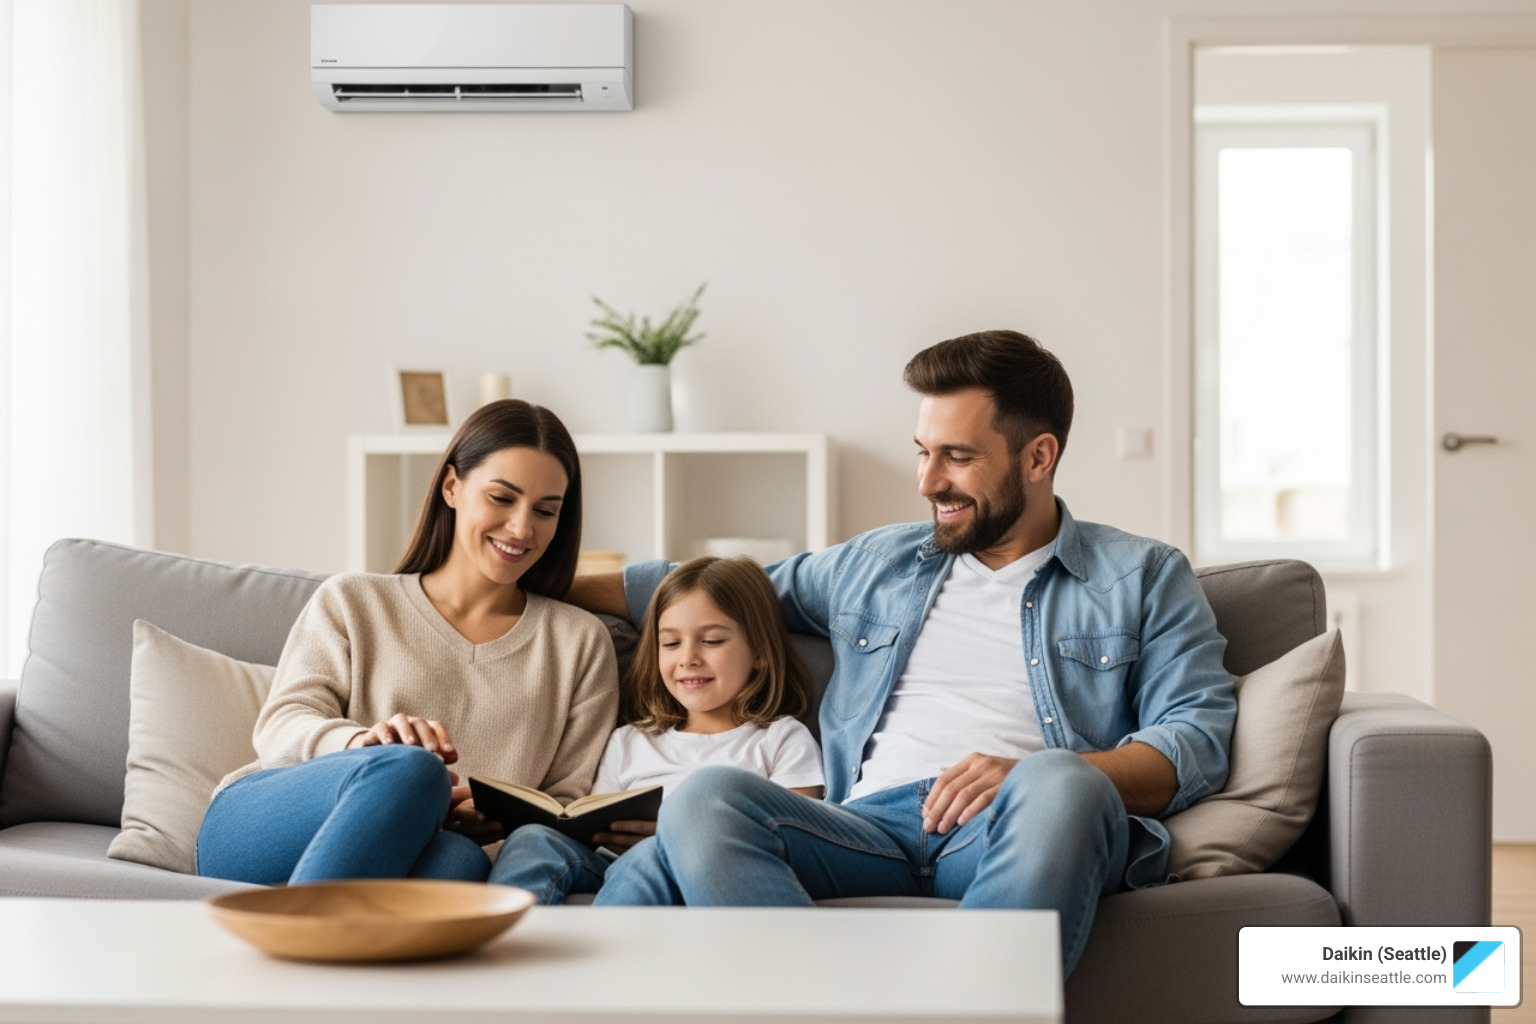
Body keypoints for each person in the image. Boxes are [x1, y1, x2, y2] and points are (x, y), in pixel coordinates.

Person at [567, 330, 1236, 975]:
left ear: (1038, 457)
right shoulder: (878, 563)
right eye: (923, 451)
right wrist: (533, 577)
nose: (927, 481)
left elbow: (1193, 741)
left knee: (1060, 779)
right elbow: (712, 592)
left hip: (1013, 826)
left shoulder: (1141, 575)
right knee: (704, 799)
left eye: (958, 458)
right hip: (864, 830)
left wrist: (1030, 773)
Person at [196, 399, 619, 886]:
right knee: (415, 772)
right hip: (262, 825)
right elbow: (281, 726)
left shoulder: (580, 643)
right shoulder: (354, 600)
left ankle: (314, 939)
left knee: (460, 863)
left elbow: (565, 804)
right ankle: (307, 940)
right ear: (452, 486)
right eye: (502, 498)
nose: (523, 528)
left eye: (546, 511)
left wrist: (495, 821)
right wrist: (364, 746)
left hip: (430, 844)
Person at [490, 555, 825, 904]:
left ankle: (615, 956)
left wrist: (672, 836)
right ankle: (501, 948)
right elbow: (592, 823)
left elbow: (797, 842)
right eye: (671, 643)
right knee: (532, 839)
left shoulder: (781, 739)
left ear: (760, 652)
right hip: (607, 863)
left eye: (711, 641)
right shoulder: (630, 740)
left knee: (646, 857)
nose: (688, 658)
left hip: (693, 867)